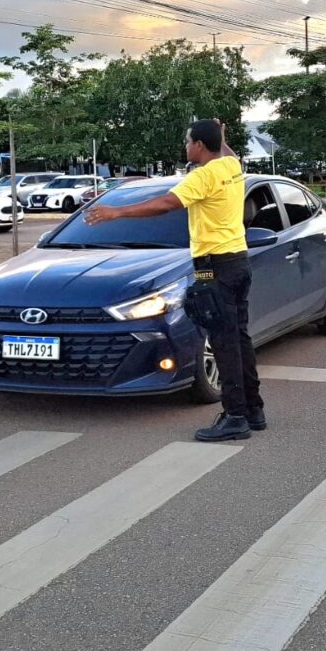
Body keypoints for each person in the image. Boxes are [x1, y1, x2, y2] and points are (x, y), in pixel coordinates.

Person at [84, 119, 260, 442]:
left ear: (199, 146)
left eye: (188, 140)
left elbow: (166, 203)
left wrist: (117, 213)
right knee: (240, 338)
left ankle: (235, 416)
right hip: (238, 261)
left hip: (216, 267)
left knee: (224, 343)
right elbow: (226, 151)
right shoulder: (231, 166)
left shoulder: (204, 175)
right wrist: (222, 136)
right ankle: (253, 409)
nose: (185, 145)